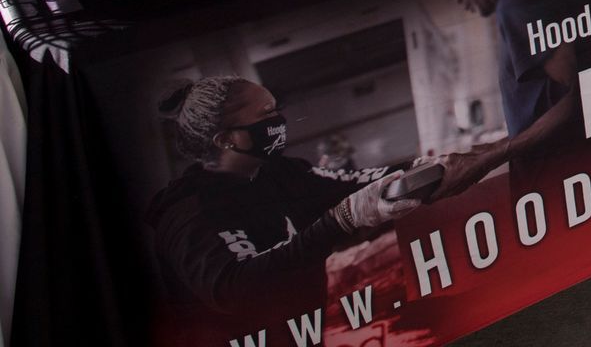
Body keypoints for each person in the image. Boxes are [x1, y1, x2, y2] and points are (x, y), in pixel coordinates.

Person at [146, 77, 440, 324]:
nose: (279, 121)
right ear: (225, 140)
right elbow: (236, 288)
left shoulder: (280, 172)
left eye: (277, 110)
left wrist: (424, 166)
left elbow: (356, 182)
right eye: (266, 114)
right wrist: (340, 220)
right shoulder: (189, 212)